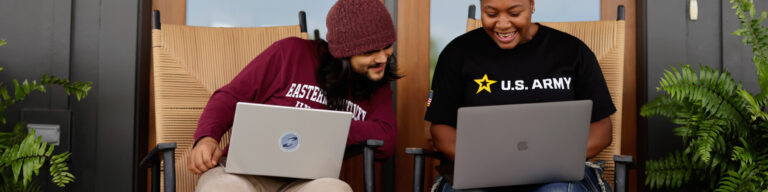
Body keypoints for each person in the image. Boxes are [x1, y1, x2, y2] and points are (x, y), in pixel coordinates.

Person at [188, 0, 400, 191]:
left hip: (308, 181)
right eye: (370, 52)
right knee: (221, 187)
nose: (382, 58)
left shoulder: (376, 84)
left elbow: (386, 139)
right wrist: (207, 138)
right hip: (241, 172)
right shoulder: (290, 53)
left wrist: (328, 127)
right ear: (342, 53)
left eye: (387, 47)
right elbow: (230, 96)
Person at [425, 0, 616, 191]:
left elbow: (602, 128)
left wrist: (552, 160)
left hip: (556, 175)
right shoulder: (457, 53)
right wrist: (486, 162)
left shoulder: (572, 51)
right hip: (482, 173)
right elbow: (441, 130)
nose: (502, 24)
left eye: (514, 13)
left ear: (532, 5)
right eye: (491, 14)